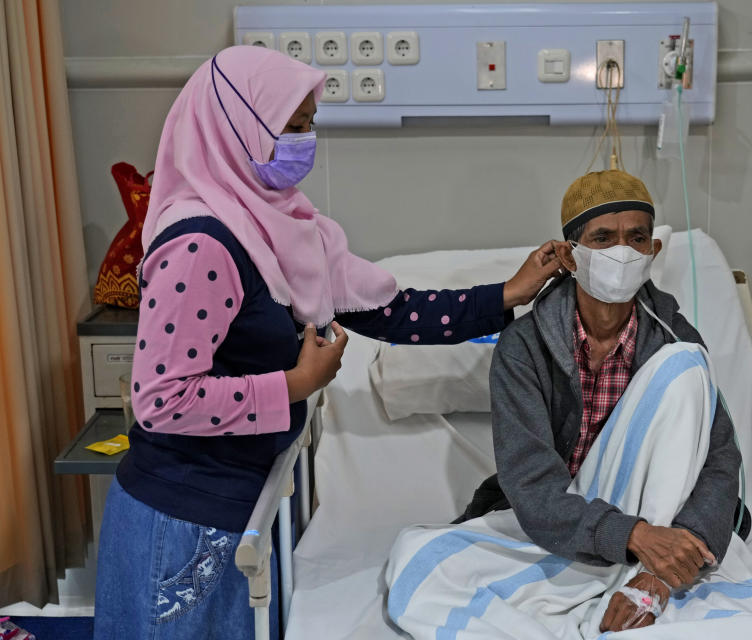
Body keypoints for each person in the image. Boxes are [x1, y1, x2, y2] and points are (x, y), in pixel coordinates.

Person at [93, 46, 560, 640]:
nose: (304, 143)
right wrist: (296, 384)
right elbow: (162, 401)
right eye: (291, 127)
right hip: (183, 521)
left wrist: (507, 293)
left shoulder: (284, 224)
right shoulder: (201, 245)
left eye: (310, 124)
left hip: (243, 506)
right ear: (239, 127)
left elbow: (393, 313)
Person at [385, 171, 752, 640]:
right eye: (602, 238)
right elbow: (531, 483)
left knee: (684, 365)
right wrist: (631, 536)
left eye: (636, 238)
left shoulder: (678, 342)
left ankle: (639, 581)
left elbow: (719, 465)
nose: (622, 252)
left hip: (658, 520)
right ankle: (611, 574)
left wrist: (656, 574)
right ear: (570, 255)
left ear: (653, 251)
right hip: (565, 524)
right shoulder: (523, 347)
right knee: (417, 556)